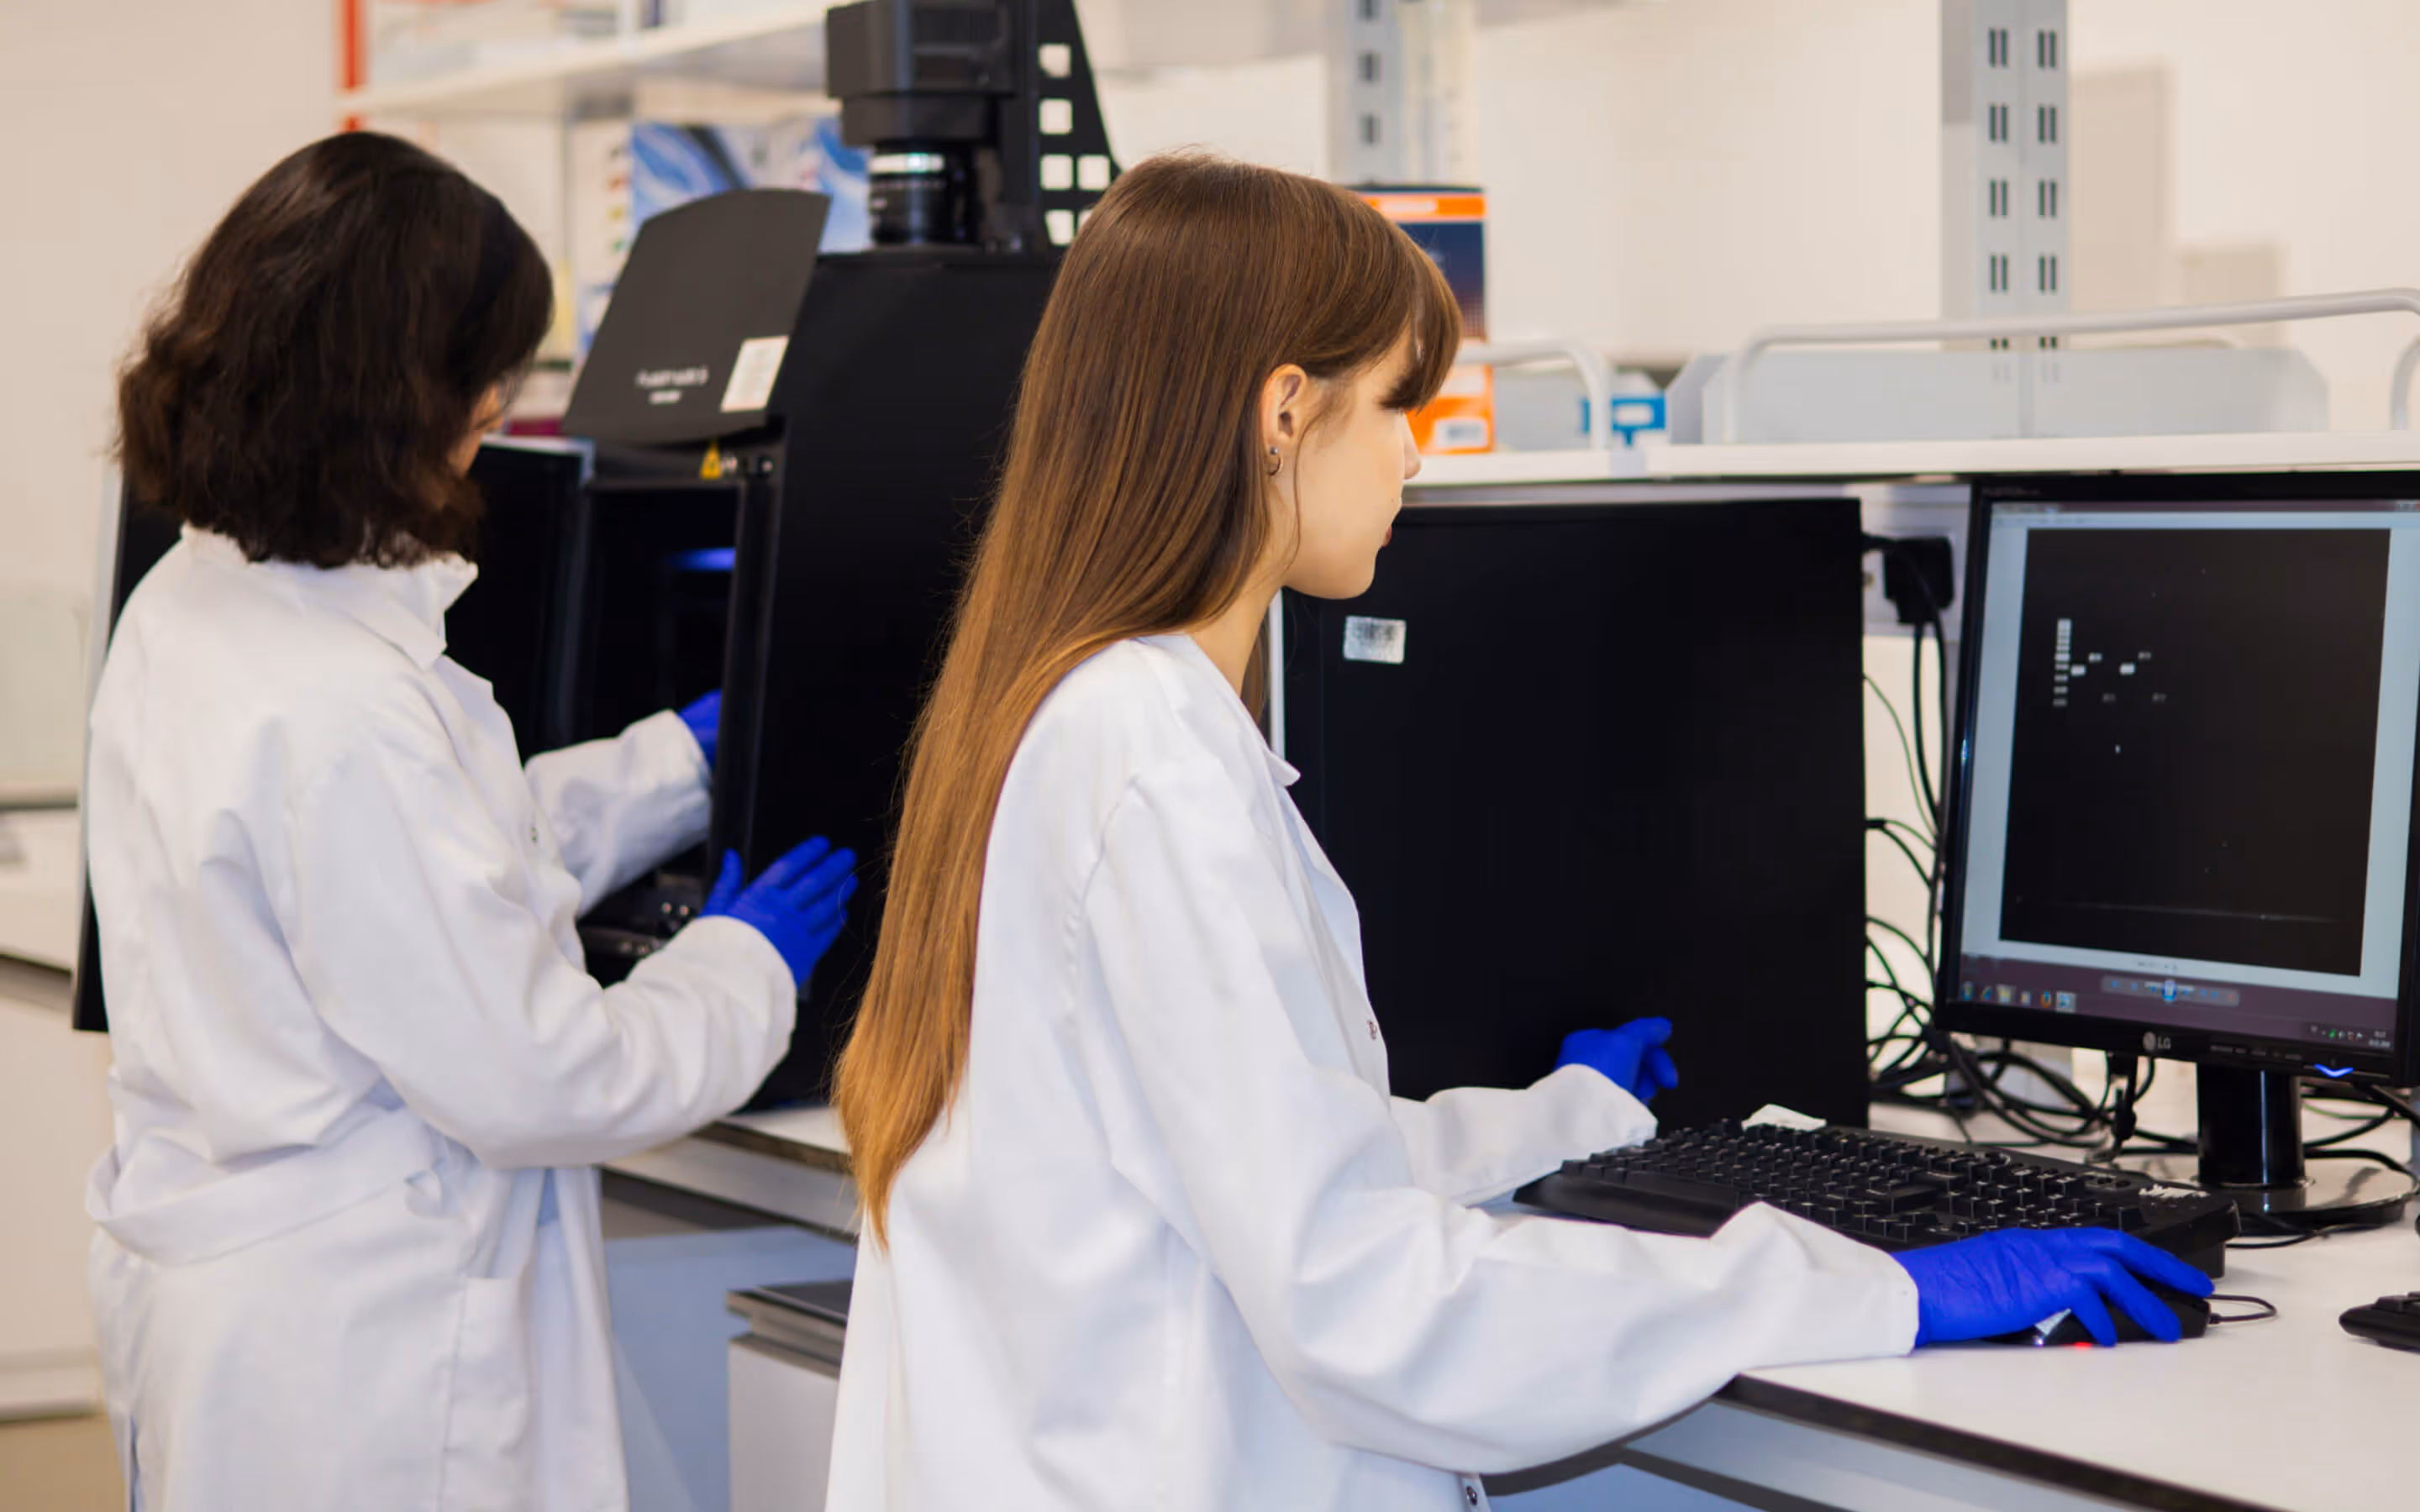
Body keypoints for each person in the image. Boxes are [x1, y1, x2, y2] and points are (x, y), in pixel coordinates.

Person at [826, 154, 2211, 1510]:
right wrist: (1877, 1285)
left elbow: (1266, 1158)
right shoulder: (1151, 759)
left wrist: (1557, 1122)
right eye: (1393, 403)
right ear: (1283, 413)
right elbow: (1359, 1300)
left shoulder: (1068, 708)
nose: (1414, 450)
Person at [82, 132, 855, 1509]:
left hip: (240, 1292)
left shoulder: (202, 602)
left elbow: (422, 862)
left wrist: (676, 762)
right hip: (358, 1346)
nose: (500, 407)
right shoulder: (342, 705)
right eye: (489, 376)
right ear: (394, 394)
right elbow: (546, 1078)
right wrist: (740, 968)